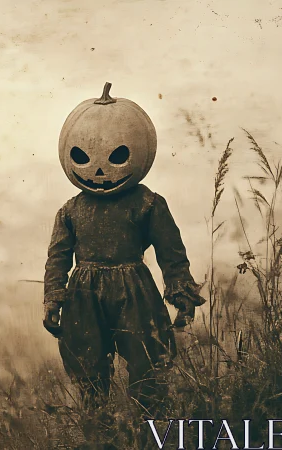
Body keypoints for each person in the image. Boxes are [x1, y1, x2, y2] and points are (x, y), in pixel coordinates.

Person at [42, 82, 206, 447]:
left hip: (135, 291)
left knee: (148, 364)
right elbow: (58, 257)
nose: (99, 171)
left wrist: (180, 292)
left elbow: (171, 251)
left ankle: (150, 434)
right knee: (87, 369)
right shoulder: (70, 211)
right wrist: (53, 296)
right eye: (83, 158)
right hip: (83, 296)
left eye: (117, 157)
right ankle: (100, 435)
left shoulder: (148, 203)